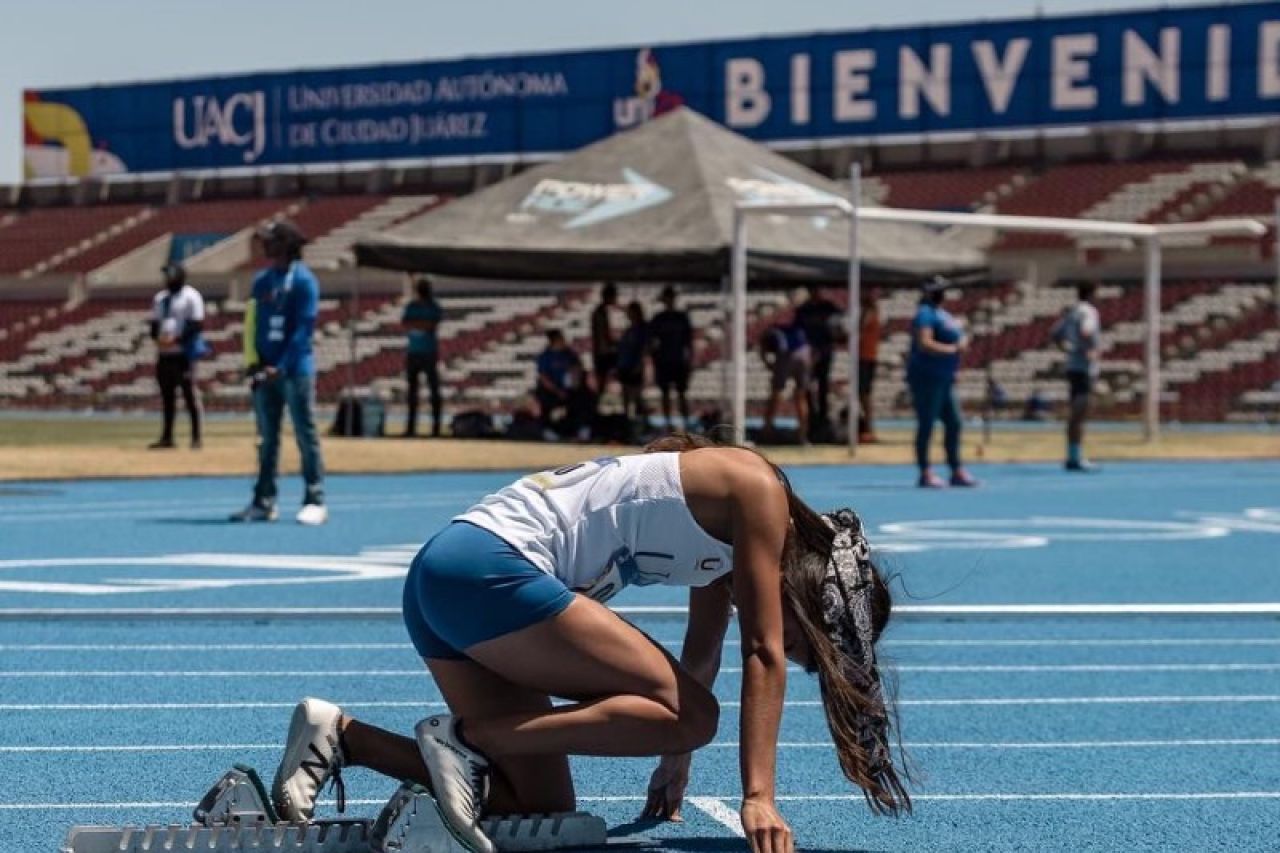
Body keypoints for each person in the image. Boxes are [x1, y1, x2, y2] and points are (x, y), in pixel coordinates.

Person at [267, 435, 910, 853]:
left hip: (448, 580)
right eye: (808, 648)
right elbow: (761, 652)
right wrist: (758, 797)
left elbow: (702, 651)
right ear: (806, 595)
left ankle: (344, 736)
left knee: (537, 809)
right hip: (487, 569)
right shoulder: (759, 489)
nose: (793, 658)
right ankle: (473, 739)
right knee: (695, 716)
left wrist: (675, 759)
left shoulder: (733, 551)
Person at [230, 220, 328, 525]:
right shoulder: (263, 281)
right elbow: (255, 325)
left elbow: (303, 330)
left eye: (272, 241)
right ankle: (264, 500)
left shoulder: (304, 282)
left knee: (304, 433)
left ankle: (315, 498)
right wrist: (256, 363)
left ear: (286, 245)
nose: (266, 246)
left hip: (294, 371)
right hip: (266, 373)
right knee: (266, 439)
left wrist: (281, 365)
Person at [907, 277, 977, 489]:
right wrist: (953, 350)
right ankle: (925, 471)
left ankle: (956, 469)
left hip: (945, 378)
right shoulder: (925, 314)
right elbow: (925, 343)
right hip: (927, 376)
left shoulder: (944, 314)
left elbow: (958, 336)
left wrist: (962, 342)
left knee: (954, 422)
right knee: (927, 423)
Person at [148, 262, 205, 450]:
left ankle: (196, 437)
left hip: (184, 354)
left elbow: (196, 325)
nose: (168, 278)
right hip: (164, 353)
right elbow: (154, 325)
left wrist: (177, 340)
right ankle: (167, 436)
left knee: (189, 395)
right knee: (167, 396)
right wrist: (159, 339)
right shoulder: (160, 298)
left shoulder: (191, 296)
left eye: (171, 274)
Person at [1051, 283, 1102, 472]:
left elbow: (1055, 334)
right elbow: (1086, 330)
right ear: (1091, 295)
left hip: (1072, 366)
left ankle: (1073, 454)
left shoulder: (1071, 312)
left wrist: (1067, 349)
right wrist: (1089, 349)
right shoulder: (1088, 311)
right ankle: (1075, 457)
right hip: (1084, 368)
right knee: (1080, 412)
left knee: (1076, 413)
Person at [794, 286, 841, 438]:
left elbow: (839, 324)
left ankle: (822, 417)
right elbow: (797, 329)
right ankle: (811, 419)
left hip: (825, 351)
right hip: (808, 352)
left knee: (823, 385)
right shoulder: (804, 309)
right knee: (807, 386)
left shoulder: (828, 307)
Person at [402, 276, 444, 438]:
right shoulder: (412, 306)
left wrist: (417, 324)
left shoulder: (433, 307)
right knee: (412, 392)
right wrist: (422, 325)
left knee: (433, 391)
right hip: (414, 353)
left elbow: (430, 325)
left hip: (428, 352)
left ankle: (436, 428)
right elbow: (406, 323)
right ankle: (411, 428)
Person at [648, 285, 694, 431]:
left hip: (679, 361)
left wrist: (689, 362)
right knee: (665, 394)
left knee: (681, 393)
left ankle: (686, 424)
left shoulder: (681, 318)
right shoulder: (658, 319)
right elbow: (652, 342)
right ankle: (668, 424)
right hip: (663, 362)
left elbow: (689, 343)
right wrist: (654, 360)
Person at [759, 320, 811, 445]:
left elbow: (763, 345)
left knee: (777, 393)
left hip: (787, 356)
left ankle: (767, 431)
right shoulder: (798, 330)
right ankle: (802, 435)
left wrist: (767, 361)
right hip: (803, 356)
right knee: (800, 396)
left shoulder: (773, 331)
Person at [534, 329, 592, 440]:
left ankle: (583, 430)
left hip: (571, 390)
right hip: (552, 391)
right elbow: (543, 378)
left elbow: (578, 369)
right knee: (543, 400)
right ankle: (548, 431)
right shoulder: (545, 356)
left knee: (585, 399)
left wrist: (575, 383)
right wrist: (558, 391)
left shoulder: (569, 355)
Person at [616, 300, 649, 425]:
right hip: (624, 366)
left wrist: (639, 365)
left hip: (635, 367)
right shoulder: (629, 330)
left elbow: (644, 349)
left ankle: (641, 424)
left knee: (636, 397)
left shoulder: (642, 329)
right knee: (626, 397)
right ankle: (627, 424)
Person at [857, 288, 881, 444]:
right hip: (865, 356)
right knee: (862, 393)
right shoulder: (869, 311)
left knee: (864, 394)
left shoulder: (869, 312)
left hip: (866, 356)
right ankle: (866, 426)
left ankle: (869, 428)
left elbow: (860, 328)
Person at [590, 283, 620, 394]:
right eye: (614, 296)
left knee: (602, 382)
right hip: (602, 353)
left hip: (602, 352)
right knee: (602, 382)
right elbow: (602, 336)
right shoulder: (599, 313)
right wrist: (612, 347)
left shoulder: (601, 311)